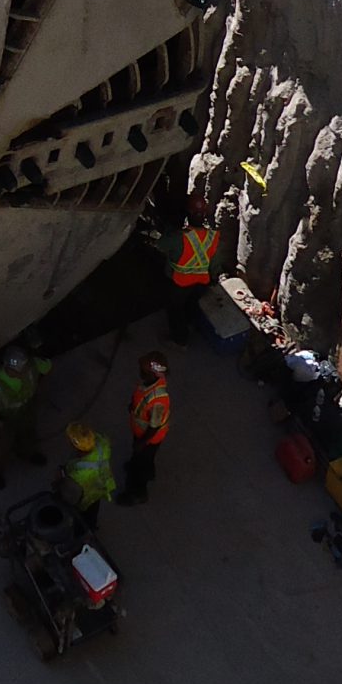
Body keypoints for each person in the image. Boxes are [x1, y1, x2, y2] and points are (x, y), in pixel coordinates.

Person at [0, 343, 51, 487]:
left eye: (24, 369)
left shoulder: (32, 365)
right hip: (6, 417)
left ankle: (27, 453)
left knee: (28, 433)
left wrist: (39, 389)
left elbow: (47, 367)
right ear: (8, 368)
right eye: (19, 371)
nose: (22, 373)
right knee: (1, 446)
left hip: (26, 409)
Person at [165, 197, 220, 342]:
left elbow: (161, 245)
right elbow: (215, 262)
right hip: (201, 283)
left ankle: (180, 341)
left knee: (175, 310)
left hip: (180, 282)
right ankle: (191, 325)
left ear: (187, 214)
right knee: (192, 305)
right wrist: (213, 278)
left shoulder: (179, 237)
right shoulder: (212, 237)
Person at [121, 350, 170, 504]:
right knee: (144, 460)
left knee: (139, 466)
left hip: (149, 438)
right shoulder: (149, 384)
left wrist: (141, 443)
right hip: (142, 433)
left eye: (143, 371)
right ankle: (149, 471)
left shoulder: (159, 400)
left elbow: (154, 426)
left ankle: (137, 493)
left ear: (153, 375)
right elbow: (141, 400)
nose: (140, 373)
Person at [62, 419, 115, 524]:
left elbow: (70, 494)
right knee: (94, 508)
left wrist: (60, 479)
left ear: (76, 446)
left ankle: (86, 528)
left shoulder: (78, 472)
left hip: (86, 495)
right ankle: (92, 524)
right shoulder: (102, 442)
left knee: (83, 516)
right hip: (101, 485)